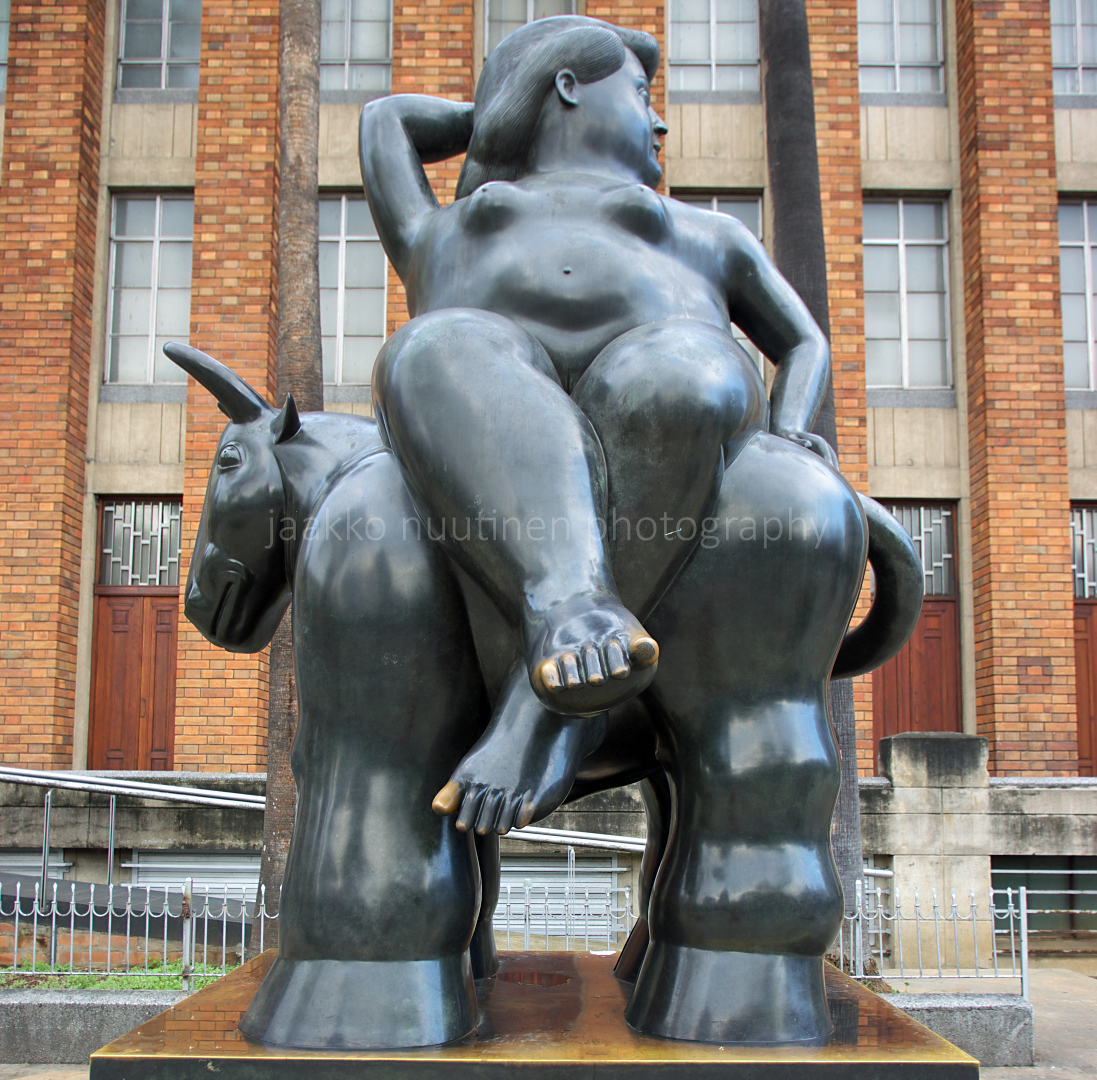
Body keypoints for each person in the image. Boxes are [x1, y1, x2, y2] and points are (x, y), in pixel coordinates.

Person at [359, 15, 834, 832]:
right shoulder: (443, 227)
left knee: (672, 373)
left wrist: (792, 429)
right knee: (432, 347)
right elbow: (384, 121)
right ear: (567, 87)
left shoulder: (708, 233)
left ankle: (544, 708)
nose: (659, 121)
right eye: (641, 93)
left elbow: (801, 342)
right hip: (482, 425)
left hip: (681, 402)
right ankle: (572, 612)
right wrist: (500, 110)